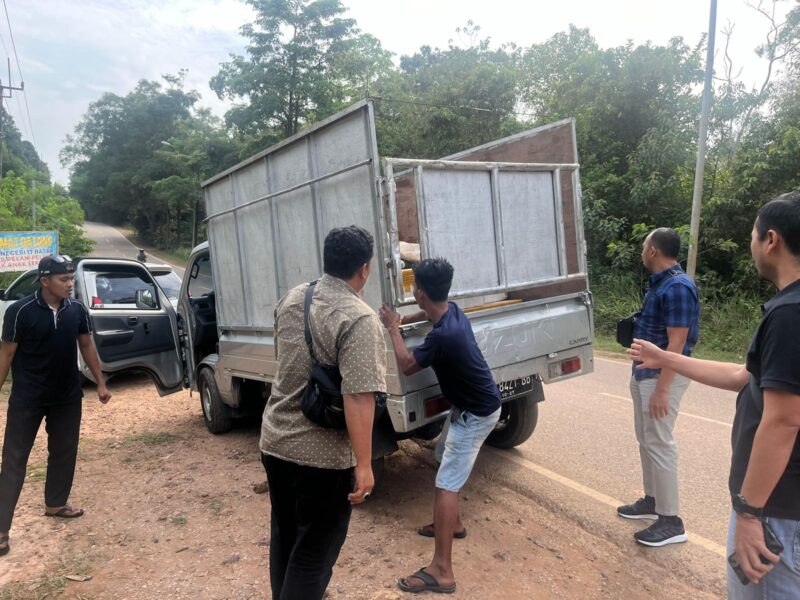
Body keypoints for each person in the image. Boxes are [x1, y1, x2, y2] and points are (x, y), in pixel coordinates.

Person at [628, 192, 800, 597]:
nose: (751, 243)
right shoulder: (787, 307)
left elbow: (784, 419)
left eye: (754, 234)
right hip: (778, 509)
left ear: (771, 240)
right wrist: (661, 357)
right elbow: (743, 376)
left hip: (775, 512)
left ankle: (668, 519)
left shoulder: (790, 313)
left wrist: (749, 511)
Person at [259, 225, 387, 600]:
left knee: (285, 536)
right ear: (364, 269)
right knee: (314, 553)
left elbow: (285, 364)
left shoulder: (293, 298)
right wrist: (364, 465)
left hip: (275, 443)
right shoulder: (358, 318)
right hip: (323, 460)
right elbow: (359, 397)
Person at [379, 257, 501, 595]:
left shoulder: (443, 337)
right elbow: (427, 313)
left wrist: (392, 327)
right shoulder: (452, 311)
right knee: (442, 454)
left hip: (475, 416)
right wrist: (407, 318)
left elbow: (406, 365)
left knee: (446, 484)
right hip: (471, 408)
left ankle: (442, 571)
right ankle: (454, 525)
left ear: (419, 292)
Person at [0, 255, 111, 557]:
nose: (70, 283)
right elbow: (6, 355)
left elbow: (86, 345)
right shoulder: (19, 311)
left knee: (64, 452)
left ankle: (56, 503)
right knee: (13, 461)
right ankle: (1, 530)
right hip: (27, 399)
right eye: (64, 279)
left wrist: (100, 383)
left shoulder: (77, 310)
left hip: (66, 397)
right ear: (45, 281)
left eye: (72, 277)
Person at [617, 227, 700, 547]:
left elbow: (677, 345)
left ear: (653, 251)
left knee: (660, 442)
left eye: (643, 246)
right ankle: (652, 501)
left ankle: (671, 521)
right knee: (647, 439)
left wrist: (663, 389)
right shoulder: (661, 284)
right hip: (643, 374)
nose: (641, 251)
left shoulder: (678, 287)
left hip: (662, 377)